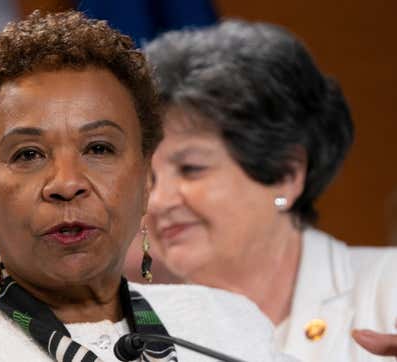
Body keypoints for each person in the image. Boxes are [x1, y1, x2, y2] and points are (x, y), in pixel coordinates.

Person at [0, 11, 295, 362]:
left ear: (144, 178)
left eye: (99, 148)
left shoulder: (229, 325)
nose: (66, 184)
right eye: (28, 154)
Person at [143, 20, 397, 361]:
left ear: (285, 175)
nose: (158, 201)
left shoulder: (388, 289)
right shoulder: (138, 335)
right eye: (149, 178)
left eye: (191, 169)